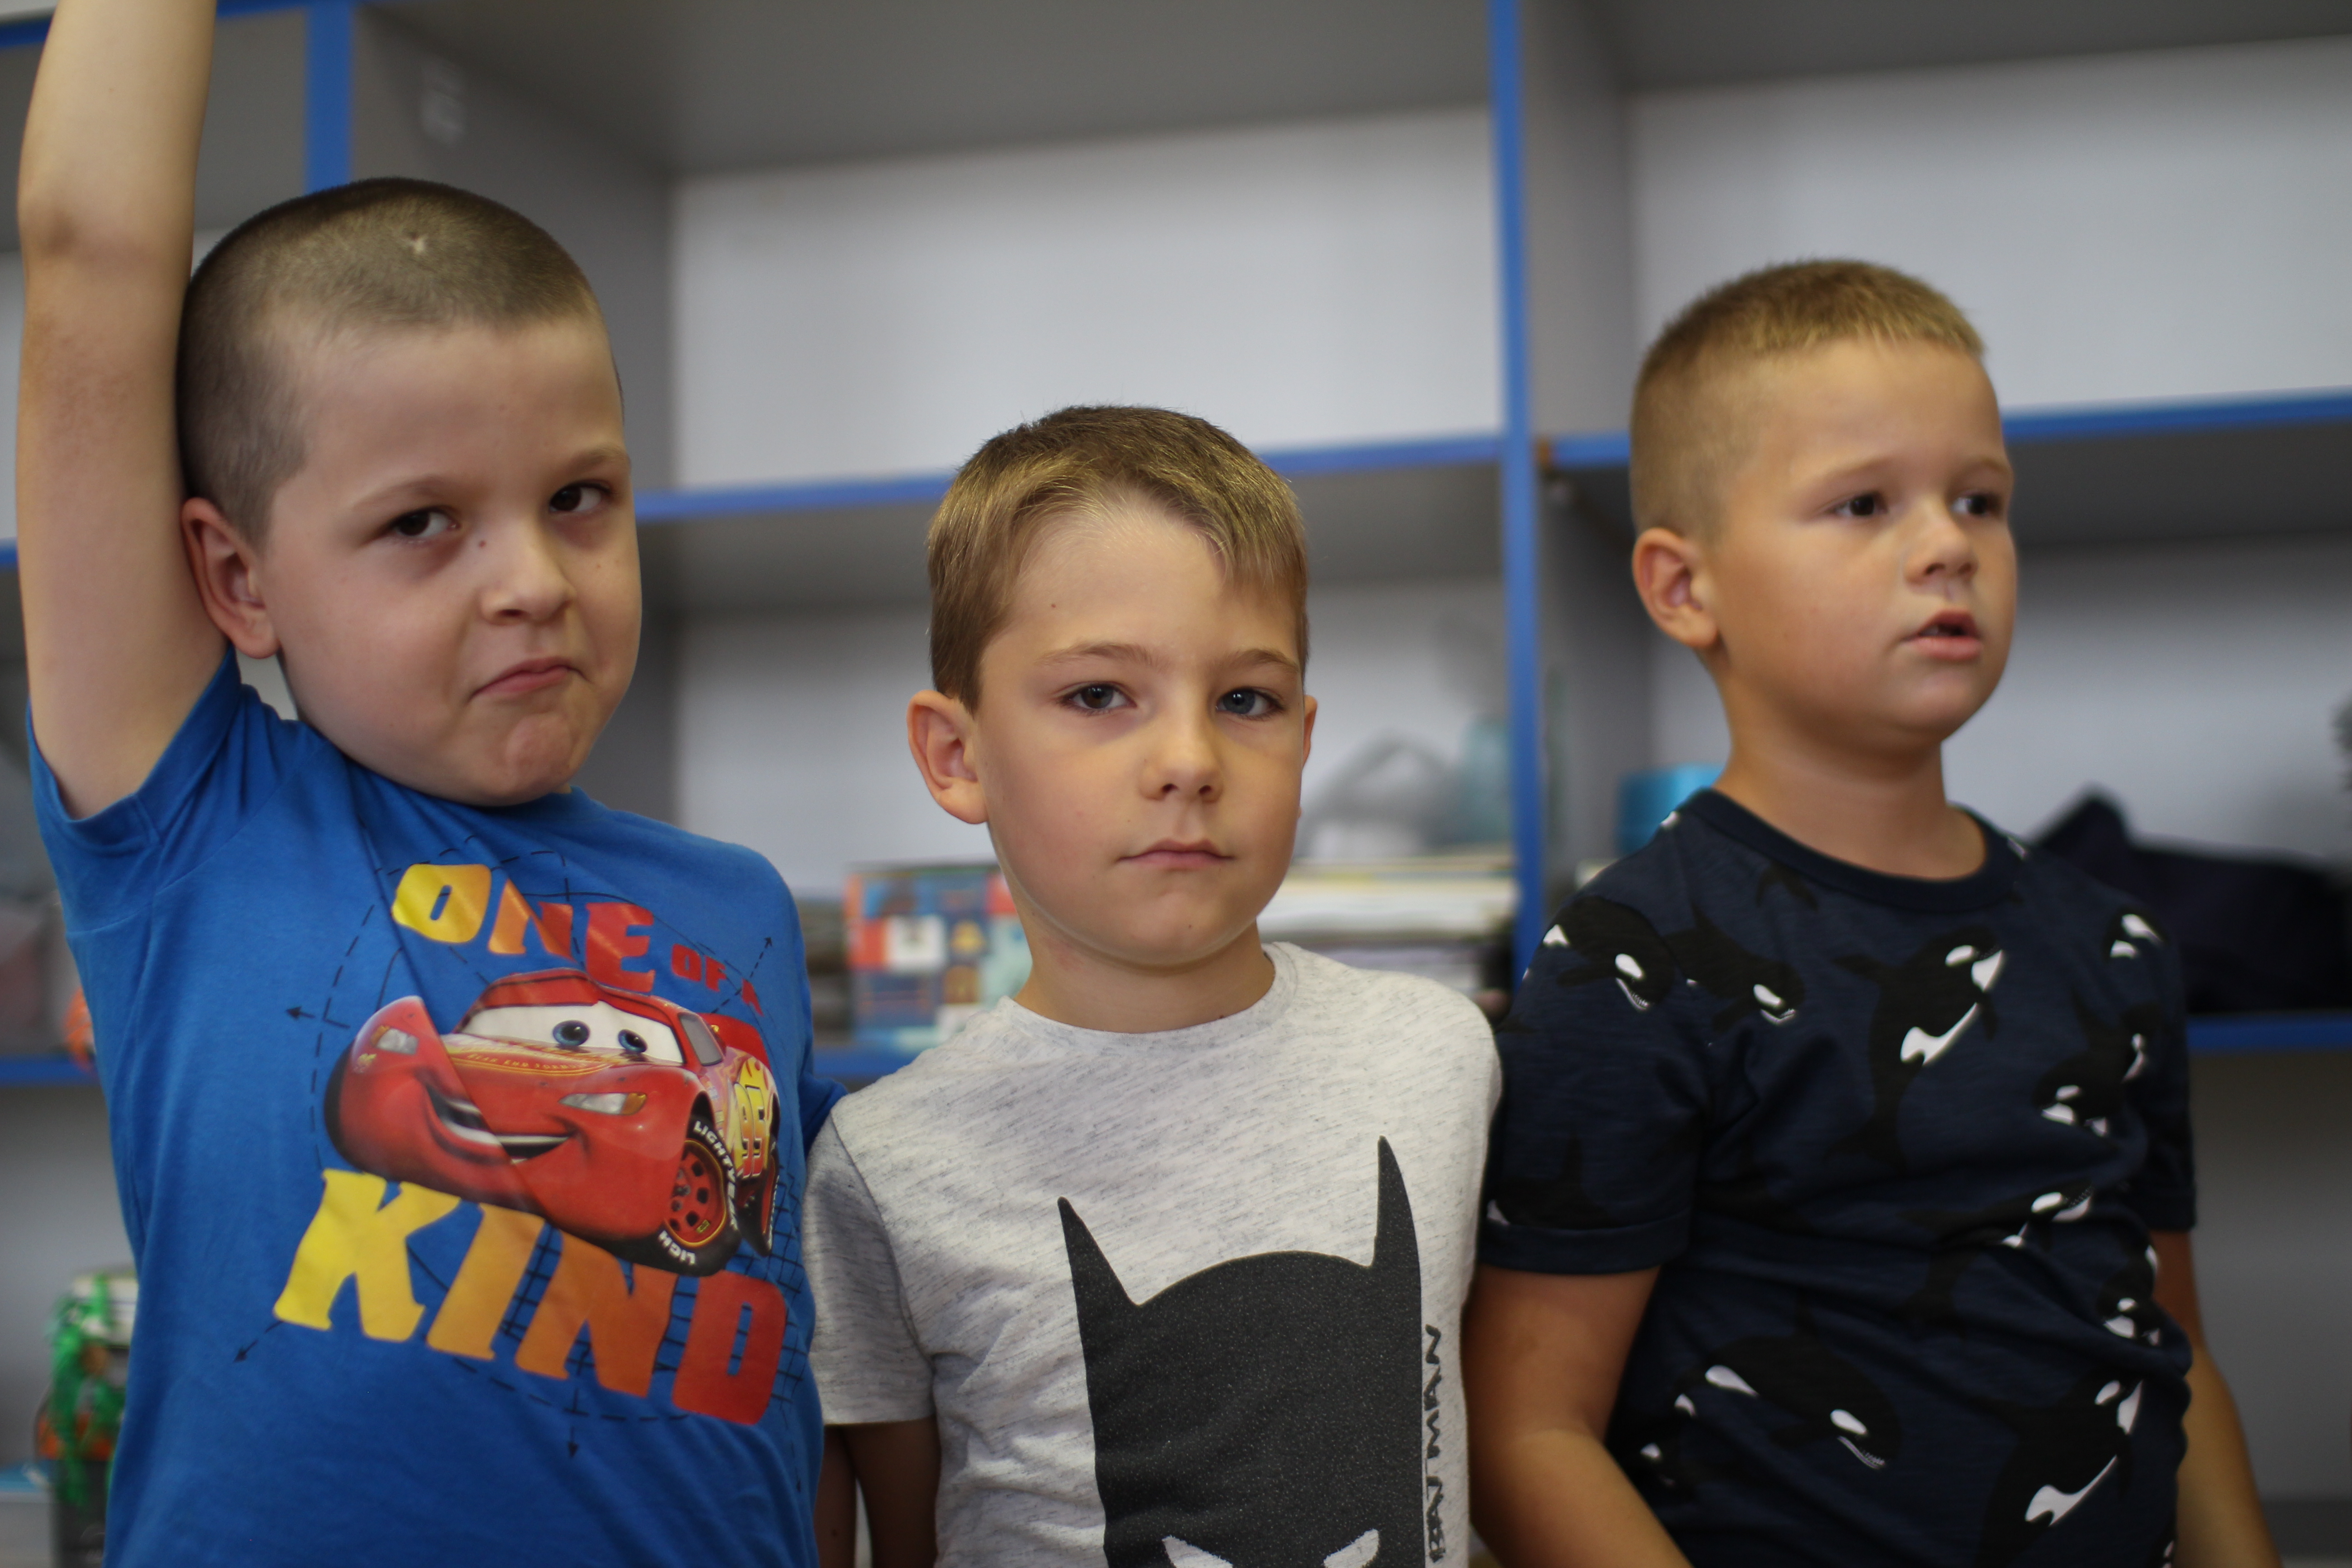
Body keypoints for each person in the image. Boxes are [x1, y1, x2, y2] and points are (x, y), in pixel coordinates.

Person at [17, 2, 839, 1562]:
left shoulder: (738, 906)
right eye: (422, 523)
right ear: (238, 580)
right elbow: (92, 252)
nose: (532, 579)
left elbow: (806, 1361)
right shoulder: (194, 825)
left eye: (579, 497)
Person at [1465, 261, 2279, 1568]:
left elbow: (2171, 1346)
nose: (1950, 544)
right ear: (1683, 588)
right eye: (1863, 503)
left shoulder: (2117, 947)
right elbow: (1529, 1433)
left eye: (1980, 500)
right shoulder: (1633, 962)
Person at [802, 406, 1499, 1568]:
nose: (1189, 761)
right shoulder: (886, 1168)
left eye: (1245, 700)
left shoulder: (1440, 1056)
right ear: (957, 756)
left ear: (1305, 737)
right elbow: (910, 1542)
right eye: (1099, 696)